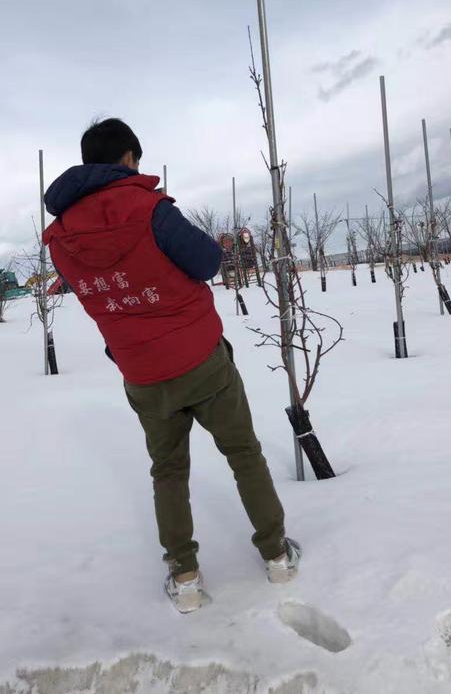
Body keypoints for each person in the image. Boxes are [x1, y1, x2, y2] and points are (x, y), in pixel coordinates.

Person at [43, 118, 300, 613]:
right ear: (128, 159)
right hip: (202, 359)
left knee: (167, 472)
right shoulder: (149, 208)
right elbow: (206, 263)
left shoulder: (60, 240)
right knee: (244, 453)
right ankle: (277, 556)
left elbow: (90, 289)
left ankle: (184, 579)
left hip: (141, 373)